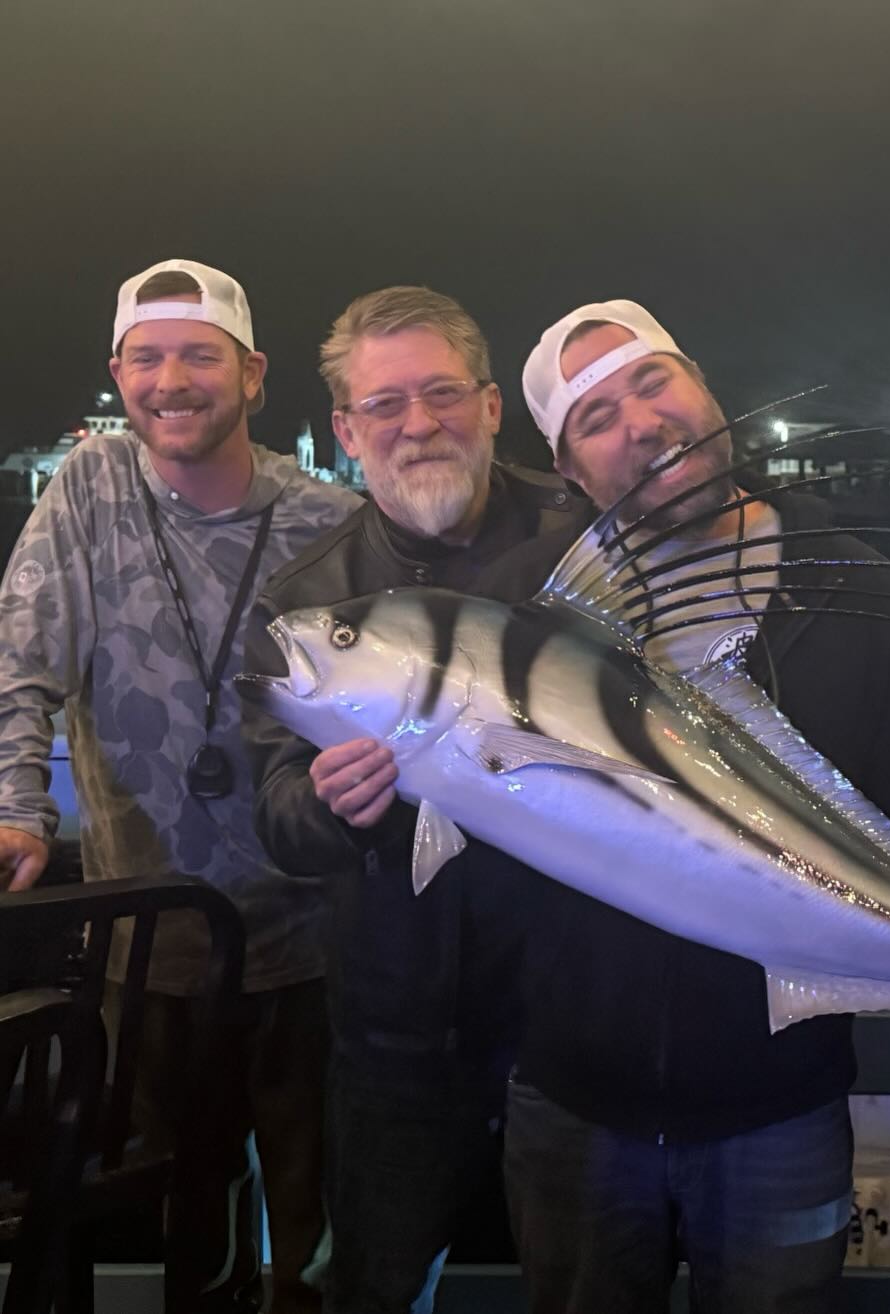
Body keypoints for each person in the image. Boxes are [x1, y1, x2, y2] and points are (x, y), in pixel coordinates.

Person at [473, 298, 890, 1314]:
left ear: (704, 393)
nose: (640, 422)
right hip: (573, 1103)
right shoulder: (523, 617)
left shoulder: (853, 583)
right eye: (596, 419)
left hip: (783, 1103)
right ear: (572, 470)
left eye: (654, 383)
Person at [0, 259, 362, 1311]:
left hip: (315, 944)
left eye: (198, 355)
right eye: (146, 358)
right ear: (118, 372)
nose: (171, 380)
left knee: (320, 1230)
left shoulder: (329, 521)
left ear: (252, 375)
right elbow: (20, 663)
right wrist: (19, 809)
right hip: (150, 943)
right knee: (184, 1215)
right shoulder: (92, 487)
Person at [242, 285, 583, 1314]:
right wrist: (328, 805)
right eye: (385, 406)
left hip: (579, 1022)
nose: (418, 424)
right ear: (346, 431)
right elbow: (276, 814)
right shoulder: (308, 601)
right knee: (378, 1288)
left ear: (490, 407)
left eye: (442, 395)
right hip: (397, 1033)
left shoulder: (583, 545)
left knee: (592, 1290)